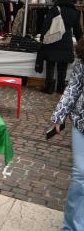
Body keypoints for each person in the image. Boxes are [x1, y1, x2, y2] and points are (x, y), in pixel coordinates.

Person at [48, 37, 84, 231]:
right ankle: (71, 228)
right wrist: (59, 115)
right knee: (80, 174)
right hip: (82, 122)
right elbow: (75, 86)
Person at [40, 0, 82, 94]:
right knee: (62, 66)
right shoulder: (75, 12)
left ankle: (49, 87)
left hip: (53, 39)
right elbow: (77, 31)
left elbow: (46, 24)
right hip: (67, 41)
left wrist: (42, 37)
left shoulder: (54, 9)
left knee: (50, 64)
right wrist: (80, 42)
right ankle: (60, 88)